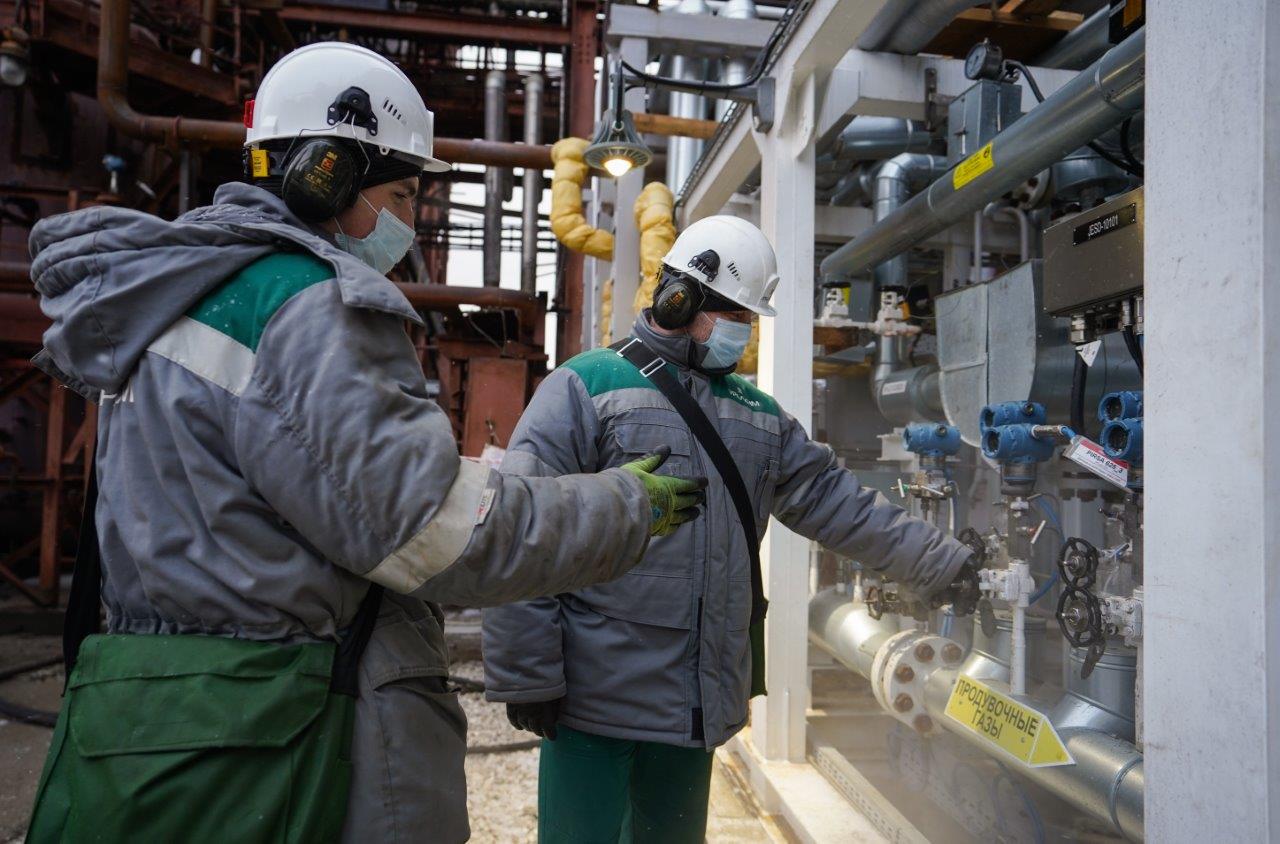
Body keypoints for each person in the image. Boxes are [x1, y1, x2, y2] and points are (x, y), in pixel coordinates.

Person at [23, 42, 704, 844]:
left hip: (157, 714)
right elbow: (433, 533)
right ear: (328, 175)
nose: (408, 220)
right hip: (290, 718)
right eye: (402, 193)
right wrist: (624, 507)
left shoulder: (164, 298)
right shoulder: (305, 306)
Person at [482, 215, 979, 843]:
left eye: (749, 316)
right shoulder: (584, 387)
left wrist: (941, 564)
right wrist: (527, 673)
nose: (743, 330)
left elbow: (842, 505)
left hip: (695, 709)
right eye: (734, 313)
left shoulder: (760, 417)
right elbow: (519, 530)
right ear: (680, 298)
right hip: (591, 706)